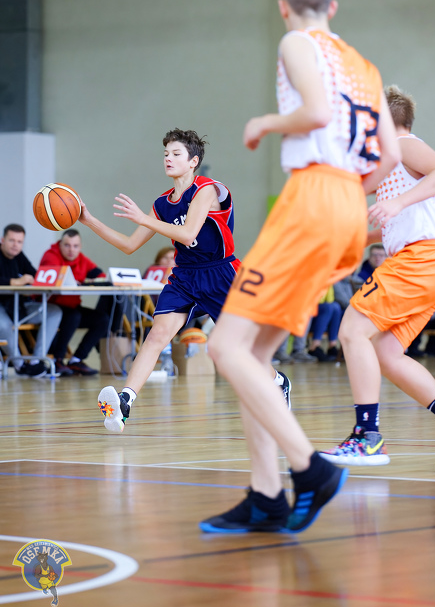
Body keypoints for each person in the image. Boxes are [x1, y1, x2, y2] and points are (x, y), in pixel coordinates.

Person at [200, 0, 400, 534]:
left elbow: (315, 111)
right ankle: (266, 495)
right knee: (254, 356)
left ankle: (310, 469)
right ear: (332, 6)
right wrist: (347, 195)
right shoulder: (364, 66)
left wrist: (264, 122)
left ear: (284, 6)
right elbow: (389, 156)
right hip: (348, 206)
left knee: (224, 347)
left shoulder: (295, 42)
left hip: (312, 198)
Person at [77, 128, 291, 431]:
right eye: (166, 153)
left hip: (221, 273)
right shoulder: (162, 204)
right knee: (157, 334)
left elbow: (189, 233)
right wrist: (89, 221)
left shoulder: (208, 190)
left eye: (176, 153)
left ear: (193, 161)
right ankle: (124, 403)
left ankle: (278, 382)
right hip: (185, 276)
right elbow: (129, 245)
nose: (168, 158)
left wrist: (144, 219)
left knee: (242, 349)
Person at [322, 85, 435, 472]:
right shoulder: (392, 165)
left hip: (424, 258)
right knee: (386, 353)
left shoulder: (403, 145)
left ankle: (367, 437)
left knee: (352, 331)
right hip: (431, 261)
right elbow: (382, 218)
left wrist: (396, 202)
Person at [39, 229, 111, 376]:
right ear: (60, 244)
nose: (71, 250)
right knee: (73, 316)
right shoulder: (51, 256)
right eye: (67, 245)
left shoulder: (82, 259)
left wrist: (91, 280)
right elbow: (57, 279)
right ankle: (58, 360)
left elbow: (101, 275)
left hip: (72, 307)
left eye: (75, 246)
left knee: (102, 319)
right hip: (50, 307)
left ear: (80, 247)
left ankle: (76, 359)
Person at [0, 224, 62, 378]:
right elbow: (16, 281)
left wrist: (34, 281)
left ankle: (37, 360)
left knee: (54, 312)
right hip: (2, 307)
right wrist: (15, 282)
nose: (15, 245)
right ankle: (19, 364)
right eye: (12, 240)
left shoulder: (19, 256)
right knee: (3, 324)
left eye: (19, 241)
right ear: (2, 240)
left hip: (18, 306)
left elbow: (35, 275)